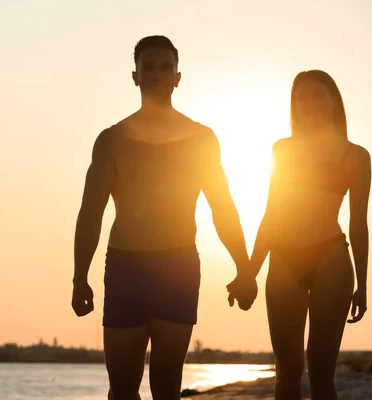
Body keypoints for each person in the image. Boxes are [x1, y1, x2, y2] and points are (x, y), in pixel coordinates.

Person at [71, 35, 257, 400]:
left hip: (178, 266)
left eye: (165, 67)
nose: (157, 73)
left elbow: (223, 207)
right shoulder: (111, 139)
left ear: (178, 77)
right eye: (148, 67)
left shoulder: (201, 138)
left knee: (167, 383)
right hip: (126, 267)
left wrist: (244, 267)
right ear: (135, 76)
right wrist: (80, 277)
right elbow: (90, 214)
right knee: (123, 387)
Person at [235, 70, 371, 400]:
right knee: (288, 369)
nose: (310, 102)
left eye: (318, 94)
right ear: (294, 105)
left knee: (322, 369)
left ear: (334, 101)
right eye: (302, 97)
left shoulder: (356, 155)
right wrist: (249, 272)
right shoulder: (282, 149)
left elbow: (358, 223)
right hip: (283, 259)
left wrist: (362, 284)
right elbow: (271, 214)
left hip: (332, 259)